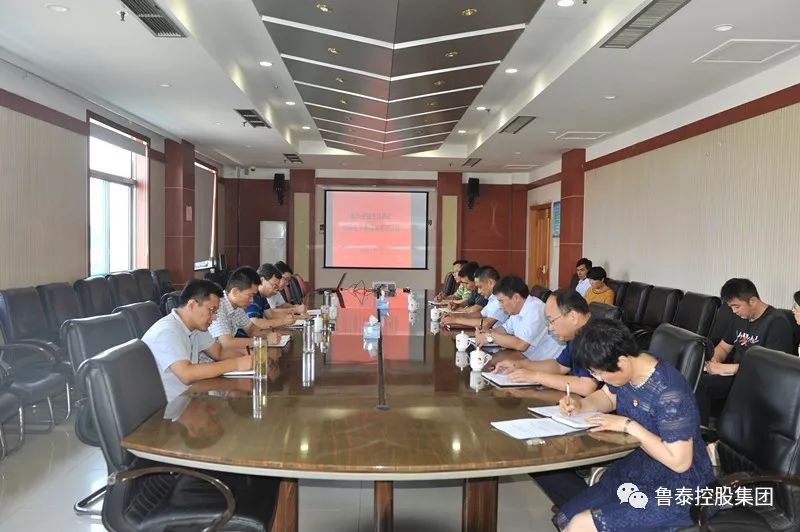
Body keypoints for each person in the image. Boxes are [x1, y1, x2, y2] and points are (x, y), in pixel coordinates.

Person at [555, 319, 714, 532]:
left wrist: (629, 426)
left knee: (580, 525)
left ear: (622, 361)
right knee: (568, 517)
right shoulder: (629, 370)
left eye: (599, 373)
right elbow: (608, 397)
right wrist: (581, 404)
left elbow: (680, 462)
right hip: (641, 468)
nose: (598, 378)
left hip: (679, 488)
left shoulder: (669, 393)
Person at [696, 278, 794, 424]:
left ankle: (698, 432)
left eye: (736, 306)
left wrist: (724, 368)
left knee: (701, 385)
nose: (734, 311)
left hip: (756, 380)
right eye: (731, 307)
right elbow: (723, 347)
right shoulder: (740, 317)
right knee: (693, 377)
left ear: (753, 301)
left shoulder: (777, 323)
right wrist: (714, 359)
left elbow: (769, 369)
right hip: (735, 374)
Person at [142, 279, 252, 402]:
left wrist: (252, 356)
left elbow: (219, 352)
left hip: (189, 396)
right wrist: (236, 364)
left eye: (215, 312)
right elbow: (187, 374)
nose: (214, 318)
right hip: (171, 406)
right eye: (211, 310)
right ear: (192, 305)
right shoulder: (167, 331)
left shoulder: (195, 327)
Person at [492, 290, 599, 395]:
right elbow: (560, 366)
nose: (550, 328)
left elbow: (586, 386)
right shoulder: (576, 334)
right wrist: (518, 365)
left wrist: (535, 376)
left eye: (551, 321)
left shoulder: (595, 335)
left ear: (573, 317)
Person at [475, 275, 562, 361]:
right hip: (528, 359)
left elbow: (521, 344)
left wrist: (489, 336)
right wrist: (484, 333)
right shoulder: (516, 310)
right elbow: (504, 329)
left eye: (501, 301)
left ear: (516, 298)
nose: (500, 306)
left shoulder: (535, 309)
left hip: (549, 363)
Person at [208, 266, 279, 350]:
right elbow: (226, 343)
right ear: (235, 292)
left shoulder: (237, 307)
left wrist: (268, 336)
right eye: (250, 295)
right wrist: (264, 340)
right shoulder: (218, 306)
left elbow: (251, 329)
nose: (252, 300)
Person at [440, 266, 508, 329]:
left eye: (480, 287)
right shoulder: (492, 298)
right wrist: (454, 316)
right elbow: (480, 314)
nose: (478, 291)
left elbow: (486, 323)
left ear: (490, 283)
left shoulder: (501, 299)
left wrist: (455, 320)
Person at [246, 263, 298, 329]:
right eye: (274, 286)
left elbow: (270, 314)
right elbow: (255, 322)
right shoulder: (252, 295)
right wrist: (283, 321)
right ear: (262, 280)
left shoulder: (262, 296)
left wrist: (293, 318)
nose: (276, 291)